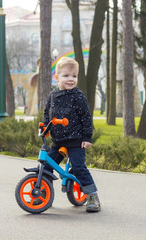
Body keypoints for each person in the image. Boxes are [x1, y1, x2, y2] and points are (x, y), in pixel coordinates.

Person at [43, 57, 101, 212]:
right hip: (58, 140)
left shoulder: (78, 96)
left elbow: (86, 117)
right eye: (66, 76)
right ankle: (43, 192)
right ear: (57, 78)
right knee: (47, 165)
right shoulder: (53, 96)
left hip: (76, 140)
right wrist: (44, 127)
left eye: (74, 76)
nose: (71, 79)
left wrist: (87, 137)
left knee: (78, 166)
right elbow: (47, 113)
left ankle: (92, 196)